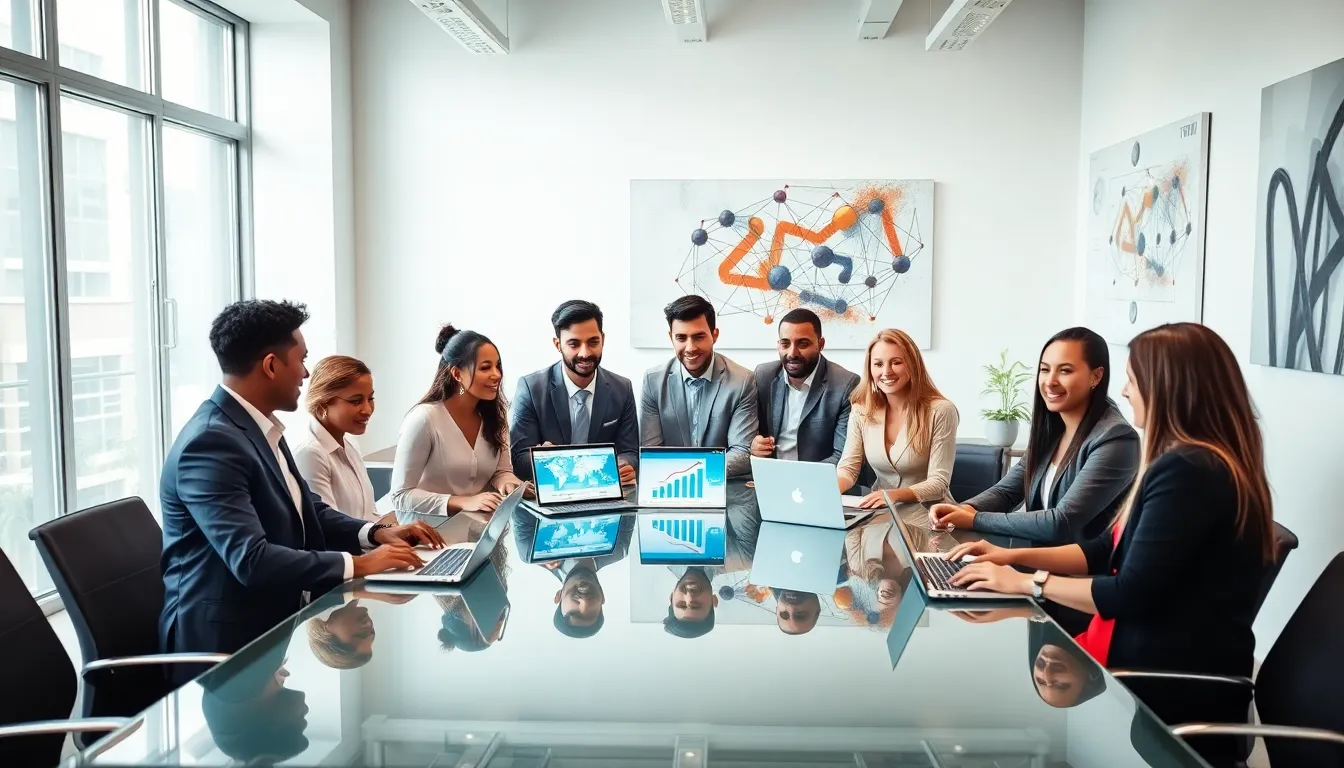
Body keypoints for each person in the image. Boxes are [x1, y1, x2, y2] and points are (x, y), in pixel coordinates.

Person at [945, 322, 1273, 767]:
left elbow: (1127, 592)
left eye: (1134, 379)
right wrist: (1008, 557)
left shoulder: (1189, 471)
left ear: (1169, 387)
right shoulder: (1195, 461)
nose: (1126, 389)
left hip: (1166, 687)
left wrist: (1027, 584)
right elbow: (1104, 548)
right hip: (1150, 671)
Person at [159, 300, 443, 680]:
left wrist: (374, 533)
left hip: (271, 624)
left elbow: (307, 509)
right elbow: (251, 560)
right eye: (301, 360)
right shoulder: (211, 442)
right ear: (272, 365)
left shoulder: (258, 429)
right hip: (222, 648)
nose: (307, 373)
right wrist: (358, 564)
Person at [930, 327, 1140, 544]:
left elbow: (1061, 522)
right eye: (1045, 370)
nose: (1050, 381)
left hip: (1080, 575)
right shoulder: (1053, 427)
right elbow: (1007, 492)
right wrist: (962, 509)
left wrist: (975, 519)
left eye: (1065, 371)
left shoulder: (1116, 439)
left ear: (1096, 376)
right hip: (1037, 562)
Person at [390, 325, 524, 521]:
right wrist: (461, 501)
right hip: (427, 534)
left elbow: (501, 471)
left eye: (498, 366)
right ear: (457, 374)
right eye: (485, 367)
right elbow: (401, 495)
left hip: (478, 529)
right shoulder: (424, 419)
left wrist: (512, 486)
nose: (497, 374)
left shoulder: (496, 416)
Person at [510, 300, 640, 485]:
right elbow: (519, 461)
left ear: (603, 339)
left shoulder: (622, 388)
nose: (585, 353)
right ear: (558, 344)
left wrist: (623, 464)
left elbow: (631, 452)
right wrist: (543, 459)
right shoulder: (531, 388)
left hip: (604, 490)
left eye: (593, 342)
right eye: (574, 344)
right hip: (552, 490)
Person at [837, 329, 959, 508]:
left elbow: (939, 483)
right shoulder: (861, 410)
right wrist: (829, 491)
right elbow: (848, 468)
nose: (886, 372)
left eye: (896, 363)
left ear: (912, 364)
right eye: (878, 364)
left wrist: (893, 495)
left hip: (931, 514)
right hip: (879, 513)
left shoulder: (941, 411)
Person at [640, 295, 758, 478]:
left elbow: (742, 451)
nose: (690, 348)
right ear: (671, 337)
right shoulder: (653, 381)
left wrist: (690, 473)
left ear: (714, 335)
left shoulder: (742, 381)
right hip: (668, 485)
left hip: (721, 485)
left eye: (699, 337)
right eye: (681, 338)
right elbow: (651, 452)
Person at [751, 308, 860, 464]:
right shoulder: (763, 376)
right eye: (785, 344)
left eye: (803, 344)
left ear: (820, 344)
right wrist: (753, 444)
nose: (792, 353)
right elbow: (746, 434)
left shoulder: (845, 385)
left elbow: (842, 455)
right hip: (769, 475)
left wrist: (802, 478)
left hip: (818, 480)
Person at [292, 355, 383, 523]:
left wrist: (397, 529)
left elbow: (368, 515)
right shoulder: (310, 454)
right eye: (356, 401)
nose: (367, 409)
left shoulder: (350, 445)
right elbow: (328, 530)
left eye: (370, 399)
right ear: (323, 404)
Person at [663, 566, 718, 638]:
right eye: (696, 605)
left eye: (681, 604)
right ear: (714, 600)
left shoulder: (663, 558)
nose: (689, 596)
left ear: (671, 597)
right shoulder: (730, 561)